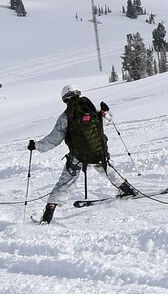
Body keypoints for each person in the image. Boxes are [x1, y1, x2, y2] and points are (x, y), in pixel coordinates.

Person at [27, 84, 136, 222]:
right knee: (107, 169)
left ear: (65, 99)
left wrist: (36, 146)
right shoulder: (92, 109)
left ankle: (48, 213)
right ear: (78, 93)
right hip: (98, 153)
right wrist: (106, 111)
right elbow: (110, 119)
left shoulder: (65, 116)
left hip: (78, 157)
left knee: (65, 182)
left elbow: (54, 139)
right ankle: (127, 189)